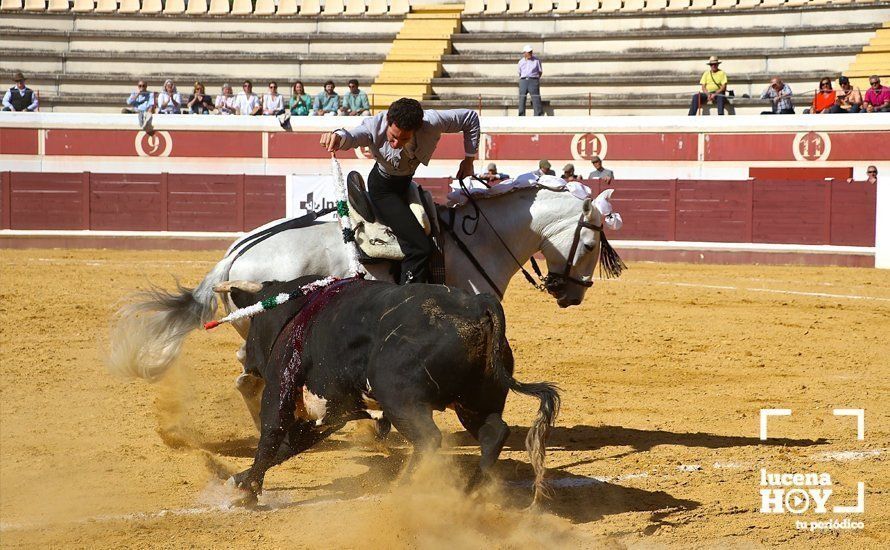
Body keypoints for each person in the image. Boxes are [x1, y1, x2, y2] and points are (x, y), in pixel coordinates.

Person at [319, 98, 480, 284]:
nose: (396, 143)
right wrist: (338, 136)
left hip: (406, 184)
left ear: (418, 129)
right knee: (419, 247)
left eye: (404, 138)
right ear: (387, 121)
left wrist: (469, 160)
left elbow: (470, 118)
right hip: (383, 190)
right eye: (393, 136)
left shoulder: (433, 121)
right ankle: (407, 298)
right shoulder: (374, 126)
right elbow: (353, 136)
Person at [518, 44, 543, 116]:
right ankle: (521, 115)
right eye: (528, 52)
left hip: (533, 80)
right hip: (523, 80)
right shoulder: (520, 62)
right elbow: (519, 73)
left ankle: (538, 115)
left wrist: (535, 79)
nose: (530, 53)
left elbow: (540, 72)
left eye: (531, 52)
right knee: (522, 98)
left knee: (536, 98)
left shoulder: (537, 60)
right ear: (524, 53)